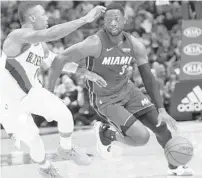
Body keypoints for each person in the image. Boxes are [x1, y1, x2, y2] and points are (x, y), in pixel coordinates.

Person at [48, 3, 193, 176]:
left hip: (128, 91)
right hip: (105, 98)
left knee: (161, 127)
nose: (113, 23)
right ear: (103, 22)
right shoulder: (94, 42)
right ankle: (106, 133)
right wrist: (48, 93)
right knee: (141, 138)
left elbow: (148, 76)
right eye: (108, 20)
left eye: (117, 19)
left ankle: (175, 167)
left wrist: (161, 109)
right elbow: (59, 59)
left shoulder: (134, 44)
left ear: (125, 20)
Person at [1, 2, 106, 178]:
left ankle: (65, 148)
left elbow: (56, 61)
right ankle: (44, 167)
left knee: (65, 115)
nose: (47, 17)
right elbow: (51, 34)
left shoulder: (41, 46)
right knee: (34, 141)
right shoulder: (16, 36)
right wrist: (85, 19)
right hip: (8, 103)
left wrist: (84, 72)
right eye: (43, 14)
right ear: (32, 18)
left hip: (32, 92)